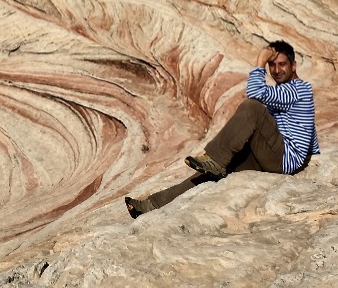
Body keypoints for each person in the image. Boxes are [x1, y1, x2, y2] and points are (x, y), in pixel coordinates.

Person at [125, 40, 320, 218]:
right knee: (209, 174)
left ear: (293, 66)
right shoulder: (289, 92)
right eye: (272, 64)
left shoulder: (299, 88)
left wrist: (260, 61)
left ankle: (215, 159)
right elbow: (307, 129)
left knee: (252, 108)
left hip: (282, 159)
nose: (276, 70)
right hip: (272, 157)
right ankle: (150, 206)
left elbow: (255, 94)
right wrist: (314, 154)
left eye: (282, 64)